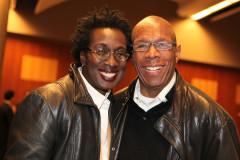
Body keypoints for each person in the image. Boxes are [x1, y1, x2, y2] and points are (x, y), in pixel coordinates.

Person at [4, 7, 132, 160]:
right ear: (83, 56)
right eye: (101, 51)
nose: (112, 62)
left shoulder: (119, 109)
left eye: (120, 53)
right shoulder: (47, 102)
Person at [110, 16, 240, 160]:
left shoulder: (213, 120)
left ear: (177, 53)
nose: (152, 54)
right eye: (141, 46)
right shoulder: (111, 108)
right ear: (132, 55)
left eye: (162, 45)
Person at [0, 90, 14, 160]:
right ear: (12, 98)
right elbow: (11, 123)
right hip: (5, 135)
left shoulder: (1, 106)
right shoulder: (8, 109)